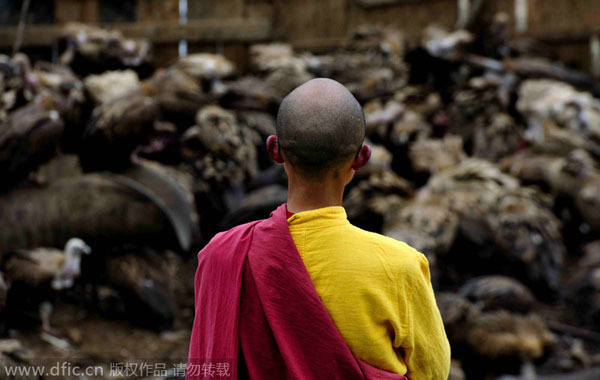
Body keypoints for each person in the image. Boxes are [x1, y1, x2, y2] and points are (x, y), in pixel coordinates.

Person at [187, 78, 450, 380]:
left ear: (275, 150)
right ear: (361, 157)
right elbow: (432, 372)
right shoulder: (401, 268)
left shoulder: (221, 255)